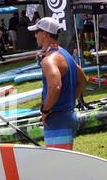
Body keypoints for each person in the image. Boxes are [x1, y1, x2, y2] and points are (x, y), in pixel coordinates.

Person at [28, 17, 87, 150]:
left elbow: (55, 86)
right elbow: (83, 79)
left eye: (36, 32)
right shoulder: (66, 54)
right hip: (69, 115)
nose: (35, 35)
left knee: (58, 166)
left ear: (45, 34)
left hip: (57, 118)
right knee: (62, 163)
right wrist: (70, 100)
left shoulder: (48, 60)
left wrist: (45, 111)